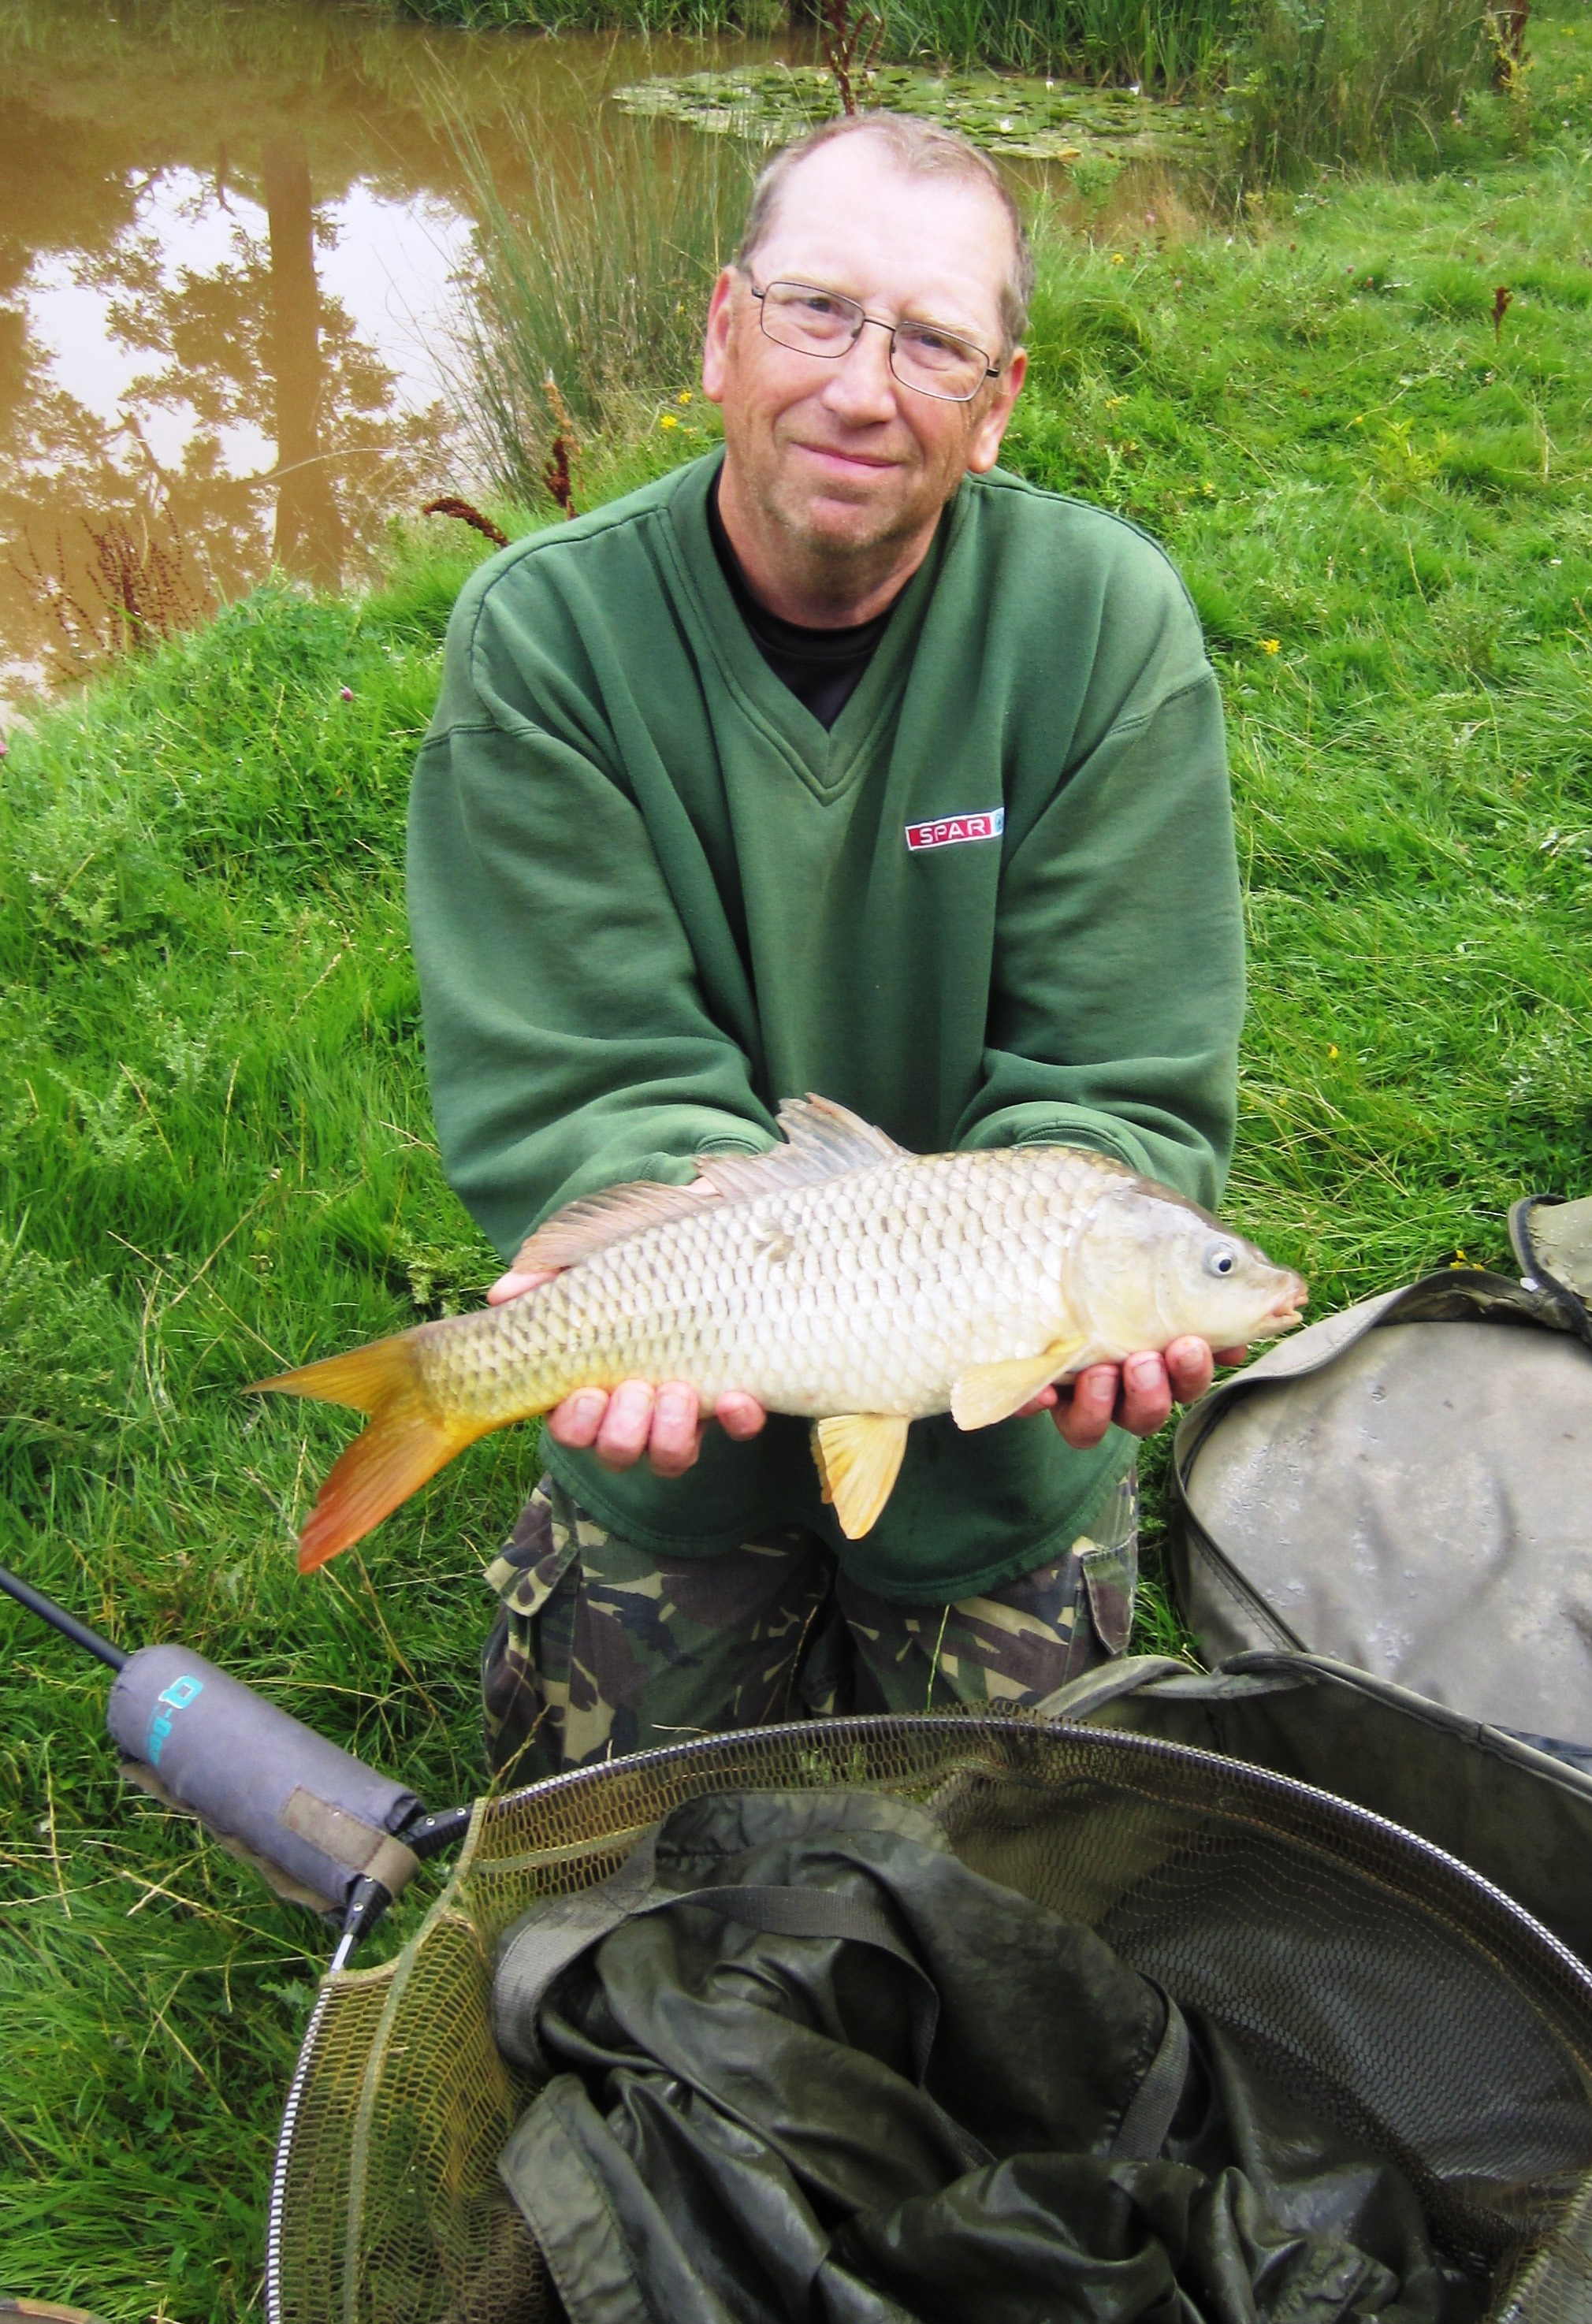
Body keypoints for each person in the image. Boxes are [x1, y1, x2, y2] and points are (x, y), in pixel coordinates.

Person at [407, 113, 1244, 1783]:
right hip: (680, 1396)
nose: (863, 388)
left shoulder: (1100, 623)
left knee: (1009, 1889)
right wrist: (644, 1277)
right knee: (615, 1863)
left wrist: (1100, 1270)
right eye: (815, 312)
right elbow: (589, 1065)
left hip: (993, 1440)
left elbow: (1120, 1070)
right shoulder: (547, 633)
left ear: (994, 404)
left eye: (932, 340)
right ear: (720, 329)